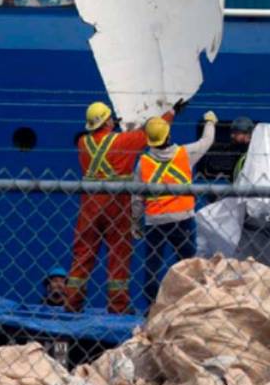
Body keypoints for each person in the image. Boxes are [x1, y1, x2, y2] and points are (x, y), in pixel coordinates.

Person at [67, 100, 181, 314]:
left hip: (89, 204)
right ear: (108, 121)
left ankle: (72, 302)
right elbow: (149, 133)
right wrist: (171, 112)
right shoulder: (123, 141)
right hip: (116, 203)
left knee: (83, 251)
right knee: (118, 252)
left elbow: (104, 144)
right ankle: (118, 305)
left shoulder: (83, 143)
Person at [133, 111, 217, 305]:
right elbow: (206, 141)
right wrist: (210, 122)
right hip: (182, 219)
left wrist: (136, 224)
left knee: (153, 265)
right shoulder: (184, 154)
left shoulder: (143, 163)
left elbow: (136, 198)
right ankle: (191, 302)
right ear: (168, 134)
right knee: (188, 263)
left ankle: (152, 306)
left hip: (155, 221)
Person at [229, 116, 255, 182]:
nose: (232, 136)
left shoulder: (252, 157)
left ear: (248, 135)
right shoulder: (242, 154)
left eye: (236, 133)